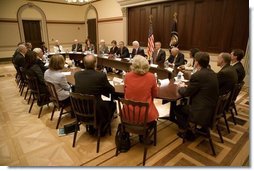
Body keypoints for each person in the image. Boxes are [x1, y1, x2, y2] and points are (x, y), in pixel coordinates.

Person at [175, 52, 219, 140]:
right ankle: (193, 127)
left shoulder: (197, 75)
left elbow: (187, 93)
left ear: (197, 62)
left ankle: (189, 132)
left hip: (200, 110)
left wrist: (180, 88)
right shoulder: (212, 72)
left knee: (178, 108)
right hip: (211, 107)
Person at [74, 54, 116, 136]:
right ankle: (104, 124)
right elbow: (111, 90)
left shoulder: (77, 75)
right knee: (113, 103)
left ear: (84, 64)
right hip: (96, 110)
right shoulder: (101, 75)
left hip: (80, 109)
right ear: (95, 64)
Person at [124, 55, 158, 143]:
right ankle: (144, 135)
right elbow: (155, 94)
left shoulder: (127, 76)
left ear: (133, 65)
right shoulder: (151, 77)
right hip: (145, 114)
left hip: (128, 113)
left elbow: (125, 92)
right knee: (152, 113)